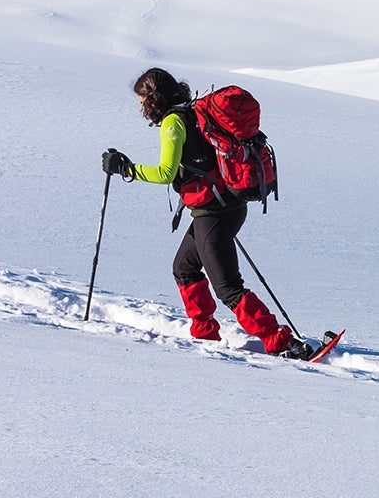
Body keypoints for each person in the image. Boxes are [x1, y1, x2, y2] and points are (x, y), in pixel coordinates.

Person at [102, 67, 322, 360]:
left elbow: (166, 173)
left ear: (153, 98)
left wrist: (127, 169)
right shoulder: (193, 111)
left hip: (213, 212)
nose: (141, 107)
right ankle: (204, 333)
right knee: (184, 267)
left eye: (142, 100)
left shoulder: (172, 123)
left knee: (229, 288)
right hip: (226, 206)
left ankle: (281, 342)